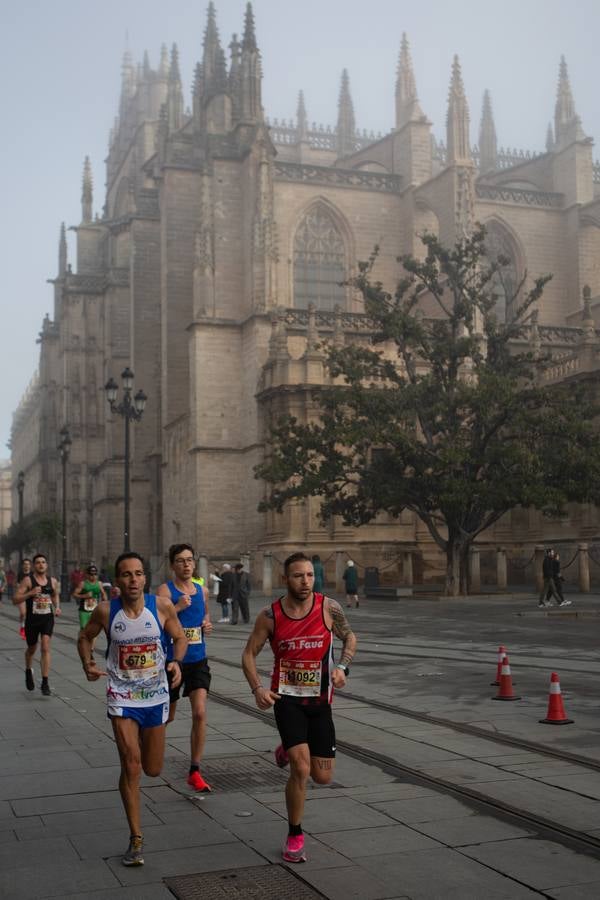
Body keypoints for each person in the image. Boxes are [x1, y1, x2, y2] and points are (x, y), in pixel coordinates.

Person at [242, 551, 357, 863]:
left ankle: (285, 749)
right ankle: (295, 833)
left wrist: (342, 669)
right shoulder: (270, 615)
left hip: (320, 702)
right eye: (298, 576)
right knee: (301, 768)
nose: (306, 581)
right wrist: (257, 689)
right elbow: (249, 654)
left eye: (309, 575)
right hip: (287, 700)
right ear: (285, 579)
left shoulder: (328, 607)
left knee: (323, 777)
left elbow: (350, 639)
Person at [77, 551, 187, 867]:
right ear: (118, 580)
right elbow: (84, 638)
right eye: (126, 574)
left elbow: (179, 638)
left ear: (145, 577)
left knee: (153, 769)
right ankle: (136, 838)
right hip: (122, 696)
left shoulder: (162, 607)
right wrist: (88, 664)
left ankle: (138, 754)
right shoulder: (105, 611)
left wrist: (176, 661)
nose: (134, 580)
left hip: (155, 696)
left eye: (138, 573)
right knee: (132, 764)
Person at [157, 543, 213, 793]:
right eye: (180, 560)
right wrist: (177, 608)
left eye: (190, 560)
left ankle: (195, 769)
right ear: (172, 565)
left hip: (198, 660)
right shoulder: (164, 591)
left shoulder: (202, 591)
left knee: (200, 713)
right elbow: (157, 625)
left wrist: (207, 625)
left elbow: (205, 618)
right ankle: (147, 748)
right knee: (167, 717)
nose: (186, 564)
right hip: (171, 662)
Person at [14, 553, 61, 695]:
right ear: (34, 566)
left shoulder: (52, 581)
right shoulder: (28, 581)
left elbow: (54, 594)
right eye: (38, 562)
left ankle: (45, 682)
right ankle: (28, 670)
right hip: (32, 620)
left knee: (45, 647)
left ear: (46, 565)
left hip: (47, 618)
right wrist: (30, 593)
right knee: (31, 649)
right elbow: (15, 599)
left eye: (43, 562)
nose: (41, 564)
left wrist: (57, 606)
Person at [73, 564, 107, 657]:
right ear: (87, 575)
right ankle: (82, 642)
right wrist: (84, 596)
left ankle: (91, 649)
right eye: (91, 574)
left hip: (95, 610)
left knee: (94, 630)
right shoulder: (83, 584)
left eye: (95, 574)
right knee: (84, 629)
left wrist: (104, 598)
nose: (93, 576)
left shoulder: (99, 583)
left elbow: (103, 593)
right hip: (84, 610)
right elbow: (75, 594)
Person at [15, 558, 31, 639]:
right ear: (23, 566)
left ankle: (27, 630)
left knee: (29, 615)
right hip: (22, 597)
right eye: (25, 564)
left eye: (28, 564)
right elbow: (17, 585)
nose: (27, 566)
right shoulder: (20, 574)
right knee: (23, 613)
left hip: (31, 597)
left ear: (30, 566)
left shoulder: (32, 574)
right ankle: (22, 626)